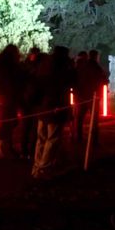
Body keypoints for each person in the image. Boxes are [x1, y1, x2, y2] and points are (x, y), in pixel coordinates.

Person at [31, 46, 76, 179]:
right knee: (52, 139)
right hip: (55, 108)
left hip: (42, 107)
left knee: (41, 138)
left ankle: (37, 166)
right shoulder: (62, 69)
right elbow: (69, 83)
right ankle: (44, 169)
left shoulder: (44, 66)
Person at [75, 49, 108, 145]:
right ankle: (93, 140)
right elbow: (104, 80)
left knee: (79, 118)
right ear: (96, 56)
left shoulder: (81, 66)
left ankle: (78, 138)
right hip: (93, 96)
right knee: (94, 120)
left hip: (81, 96)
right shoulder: (96, 67)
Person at [19, 47, 42, 160]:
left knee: (31, 128)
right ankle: (26, 151)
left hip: (31, 101)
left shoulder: (25, 67)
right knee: (28, 127)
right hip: (29, 101)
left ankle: (29, 151)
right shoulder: (31, 68)